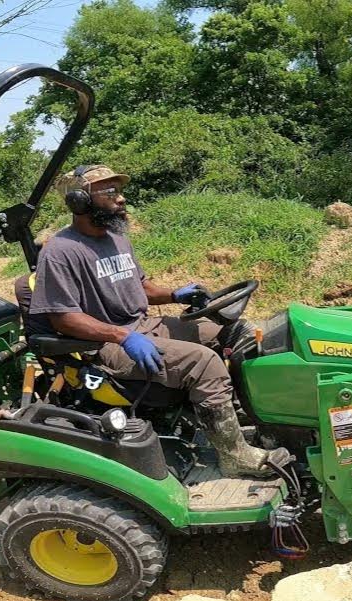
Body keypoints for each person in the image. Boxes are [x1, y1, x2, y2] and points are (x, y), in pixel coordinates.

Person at [26, 165, 288, 478]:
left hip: (143, 325)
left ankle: (260, 423)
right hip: (106, 345)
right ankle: (235, 457)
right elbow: (63, 318)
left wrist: (177, 295)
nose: (121, 199)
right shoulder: (60, 251)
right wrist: (123, 337)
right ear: (79, 201)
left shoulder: (114, 237)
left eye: (119, 191)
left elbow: (141, 287)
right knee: (203, 362)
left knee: (234, 330)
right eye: (110, 192)